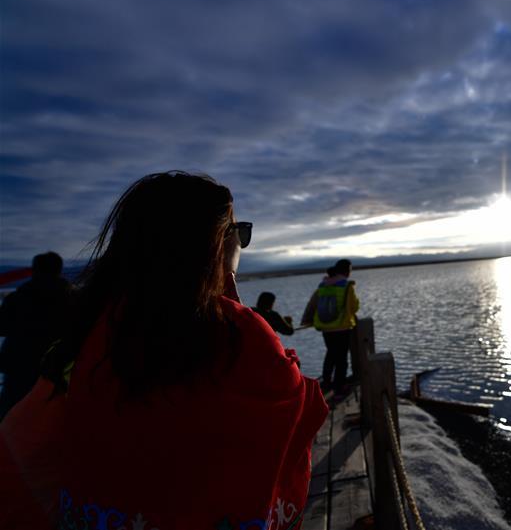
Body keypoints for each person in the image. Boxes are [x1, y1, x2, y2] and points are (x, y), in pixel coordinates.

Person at [0, 171, 328, 529]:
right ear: (215, 242)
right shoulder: (237, 334)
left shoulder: (94, 331)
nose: (240, 243)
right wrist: (235, 309)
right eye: (238, 232)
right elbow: (292, 404)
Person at [0, 252, 72, 420]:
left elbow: (2, 326)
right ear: (59, 270)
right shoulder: (73, 299)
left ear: (35, 270)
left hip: (18, 368)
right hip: (58, 371)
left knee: (11, 418)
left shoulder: (17, 299)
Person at [301, 259, 359, 393]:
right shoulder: (347, 286)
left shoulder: (323, 285)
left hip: (326, 328)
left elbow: (312, 303)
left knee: (331, 355)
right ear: (346, 271)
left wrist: (307, 320)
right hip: (342, 328)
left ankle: (326, 383)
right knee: (342, 359)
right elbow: (354, 306)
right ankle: (340, 386)